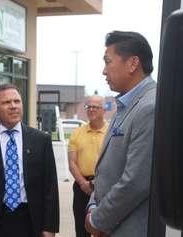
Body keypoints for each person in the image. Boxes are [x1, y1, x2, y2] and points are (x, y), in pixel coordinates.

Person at [84, 31, 156, 237]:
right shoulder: (125, 105)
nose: (104, 71)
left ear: (133, 63)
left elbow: (136, 181)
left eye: (108, 62)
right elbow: (107, 171)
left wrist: (97, 220)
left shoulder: (149, 107)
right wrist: (91, 206)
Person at [0, 84, 59, 237]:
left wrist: (49, 227)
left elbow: (50, 188)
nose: (13, 106)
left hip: (30, 221)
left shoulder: (41, 140)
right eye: (6, 102)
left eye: (17, 101)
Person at [68, 95, 108, 237]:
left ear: (104, 110)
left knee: (104, 229)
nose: (91, 109)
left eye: (95, 107)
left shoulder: (111, 133)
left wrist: (96, 183)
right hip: (81, 187)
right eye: (88, 106)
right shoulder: (77, 133)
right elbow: (72, 162)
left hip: (105, 187)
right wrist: (84, 183)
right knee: (81, 229)